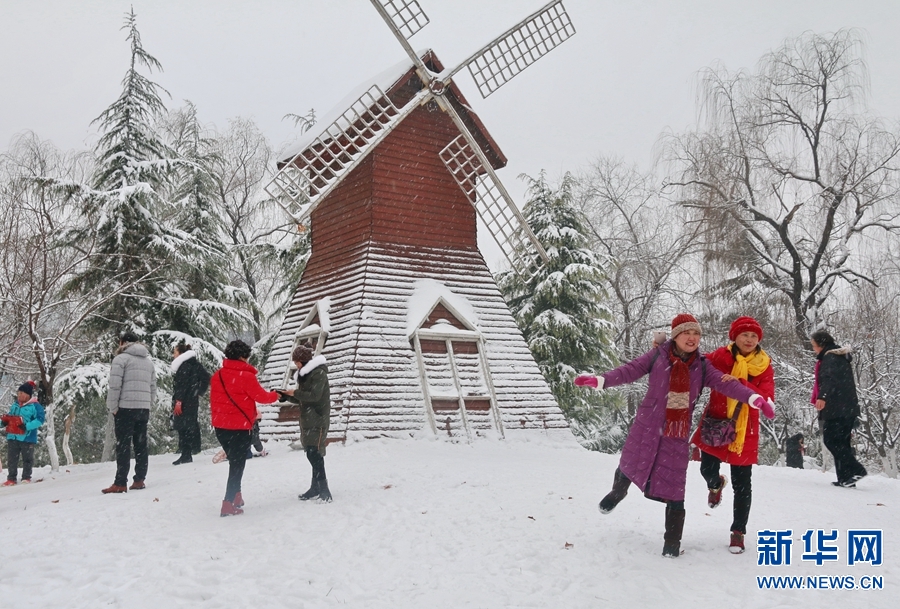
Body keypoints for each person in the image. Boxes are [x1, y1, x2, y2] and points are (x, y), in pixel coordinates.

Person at [574, 313, 775, 558]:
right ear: (676, 335)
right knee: (631, 461)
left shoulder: (702, 366)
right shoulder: (658, 356)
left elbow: (728, 384)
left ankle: (671, 542)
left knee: (674, 484)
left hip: (676, 430)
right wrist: (601, 380)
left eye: (696, 334)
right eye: (686, 333)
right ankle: (617, 493)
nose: (692, 338)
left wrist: (754, 398)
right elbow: (631, 370)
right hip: (648, 422)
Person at [690, 316, 776, 554]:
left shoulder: (764, 364)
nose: (749, 340)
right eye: (744, 335)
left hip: (744, 429)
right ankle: (716, 485)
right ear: (734, 337)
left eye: (754, 336)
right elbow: (696, 364)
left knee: (743, 485)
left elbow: (767, 398)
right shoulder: (721, 357)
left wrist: (739, 384)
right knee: (706, 469)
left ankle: (738, 532)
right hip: (717, 421)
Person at [210, 339, 279, 516]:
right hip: (239, 428)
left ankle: (236, 496)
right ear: (242, 357)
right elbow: (262, 397)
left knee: (235, 461)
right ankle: (227, 503)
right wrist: (277, 395)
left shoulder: (217, 375)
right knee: (237, 465)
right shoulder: (246, 376)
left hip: (220, 427)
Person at [810, 329, 867, 488]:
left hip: (837, 408)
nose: (813, 349)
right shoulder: (840, 357)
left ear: (821, 344)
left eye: (814, 346)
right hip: (847, 407)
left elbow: (829, 378)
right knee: (842, 442)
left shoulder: (830, 358)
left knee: (831, 440)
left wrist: (822, 396)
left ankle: (856, 470)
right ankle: (846, 478)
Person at [103, 332, 156, 494]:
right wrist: (148, 404)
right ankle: (139, 479)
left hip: (125, 408)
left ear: (122, 342)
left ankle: (120, 482)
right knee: (141, 444)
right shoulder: (148, 363)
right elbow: (153, 387)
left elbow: (115, 386)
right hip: (143, 408)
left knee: (123, 446)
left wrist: (113, 407)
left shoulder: (120, 359)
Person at [278, 344, 332, 502]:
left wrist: (294, 392)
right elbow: (303, 397)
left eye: (297, 362)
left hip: (318, 419)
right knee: (310, 452)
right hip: (308, 420)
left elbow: (314, 396)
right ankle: (315, 488)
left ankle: (324, 490)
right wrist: (286, 396)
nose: (296, 365)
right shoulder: (306, 375)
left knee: (315, 454)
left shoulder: (319, 374)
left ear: (304, 360)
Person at [171, 342, 211, 465]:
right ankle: (189, 450)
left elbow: (181, 386)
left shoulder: (184, 366)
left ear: (181, 353)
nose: (173, 355)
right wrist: (199, 392)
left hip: (184, 401)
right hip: (192, 400)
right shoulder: (195, 364)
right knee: (189, 425)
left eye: (175, 352)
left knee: (183, 427)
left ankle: (186, 453)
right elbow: (206, 378)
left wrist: (178, 400)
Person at [1, 381, 46, 486]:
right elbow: (10, 416)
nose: (19, 395)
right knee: (12, 459)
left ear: (28, 395)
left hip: (27, 437)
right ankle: (11, 478)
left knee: (27, 459)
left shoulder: (35, 406)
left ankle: (26, 477)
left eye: (22, 393)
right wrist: (3, 422)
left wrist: (27, 426)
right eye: (18, 393)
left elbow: (40, 420)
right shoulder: (15, 405)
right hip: (13, 436)